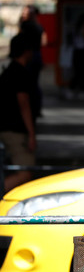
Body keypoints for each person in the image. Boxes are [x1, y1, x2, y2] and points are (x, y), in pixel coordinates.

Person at [0, 33, 38, 193]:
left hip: (7, 127)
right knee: (25, 172)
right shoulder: (20, 73)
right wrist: (31, 134)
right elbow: (24, 105)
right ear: (26, 51)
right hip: (15, 130)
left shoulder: (8, 71)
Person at [18, 5, 45, 117]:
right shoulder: (38, 26)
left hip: (28, 59)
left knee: (26, 86)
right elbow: (44, 41)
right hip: (36, 57)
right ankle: (36, 108)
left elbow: (19, 42)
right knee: (34, 84)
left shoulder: (25, 26)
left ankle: (29, 109)